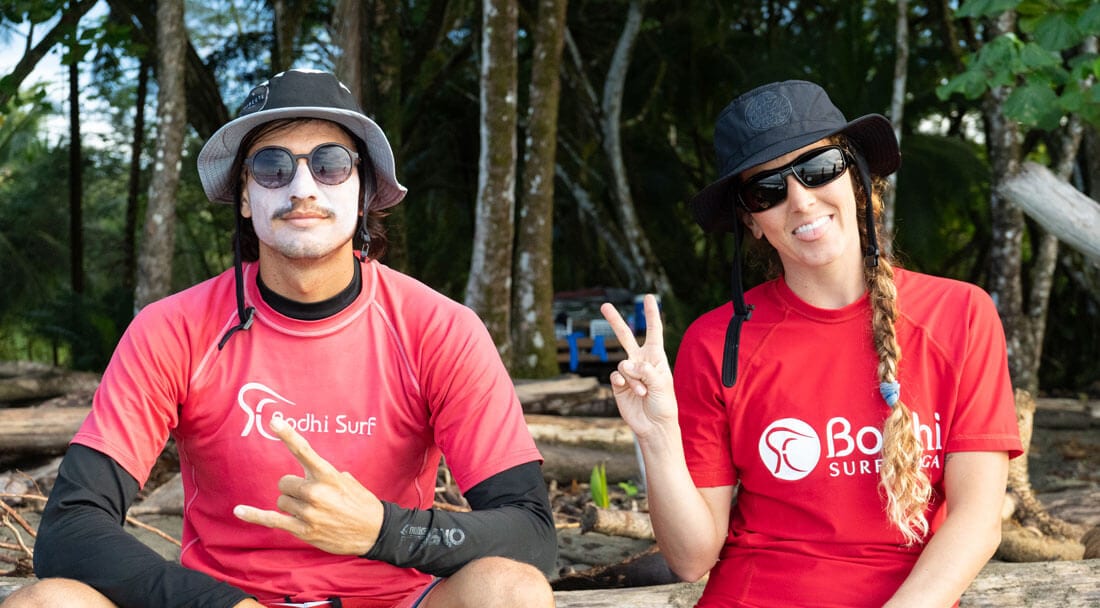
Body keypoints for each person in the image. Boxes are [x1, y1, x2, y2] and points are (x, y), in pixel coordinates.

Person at [2, 69, 557, 608]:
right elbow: (71, 527)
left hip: (396, 601)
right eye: (270, 166)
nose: (302, 187)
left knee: (512, 592)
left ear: (364, 190)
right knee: (45, 602)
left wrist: (380, 531)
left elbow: (530, 533)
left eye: (331, 164)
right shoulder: (173, 328)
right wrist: (221, 605)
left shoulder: (439, 329)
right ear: (244, 197)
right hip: (225, 601)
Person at [598, 80, 1022, 608]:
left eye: (819, 169)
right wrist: (657, 436)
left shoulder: (960, 314)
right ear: (751, 221)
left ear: (860, 178)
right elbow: (690, 560)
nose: (800, 200)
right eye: (767, 190)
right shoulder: (715, 342)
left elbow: (977, 523)